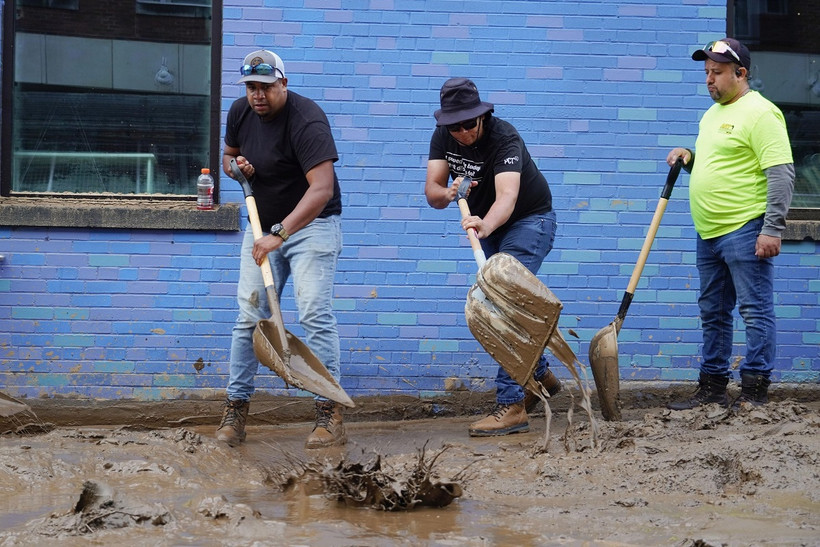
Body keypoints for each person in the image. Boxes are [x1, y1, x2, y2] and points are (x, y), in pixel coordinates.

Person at [217, 49, 346, 448]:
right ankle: (236, 410)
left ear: (283, 83)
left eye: (266, 87)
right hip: (262, 227)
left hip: (311, 227)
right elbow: (228, 157)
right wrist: (236, 167)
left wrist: (281, 234)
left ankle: (329, 412)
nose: (258, 95)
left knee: (313, 314)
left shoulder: (307, 120)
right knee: (248, 317)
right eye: (252, 87)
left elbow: (321, 190)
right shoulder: (240, 112)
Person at [424, 77, 561, 436]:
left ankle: (511, 405)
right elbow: (432, 193)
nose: (463, 132)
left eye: (469, 123)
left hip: (529, 221)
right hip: (487, 225)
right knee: (493, 305)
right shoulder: (444, 137)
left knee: (505, 305)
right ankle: (540, 374)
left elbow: (507, 197)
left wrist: (485, 224)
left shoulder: (504, 137)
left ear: (482, 117)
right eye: (455, 126)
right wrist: (449, 192)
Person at [666, 38, 794, 410]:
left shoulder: (761, 113)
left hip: (746, 228)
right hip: (709, 232)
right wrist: (689, 157)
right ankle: (712, 389)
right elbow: (715, 163)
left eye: (717, 72)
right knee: (713, 312)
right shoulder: (711, 115)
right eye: (706, 72)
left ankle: (754, 391)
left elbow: (782, 174)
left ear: (741, 74)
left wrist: (772, 228)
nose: (709, 79)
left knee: (754, 311)